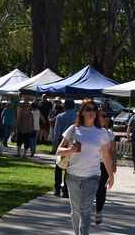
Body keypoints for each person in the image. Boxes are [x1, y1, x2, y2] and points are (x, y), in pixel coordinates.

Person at [56, 99, 114, 235]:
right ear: (81, 112)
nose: (92, 112)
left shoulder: (101, 133)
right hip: (73, 176)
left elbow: (106, 156)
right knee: (75, 210)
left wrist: (111, 176)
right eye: (88, 109)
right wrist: (70, 150)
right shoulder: (73, 129)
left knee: (85, 210)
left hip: (92, 176)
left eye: (94, 110)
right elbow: (59, 150)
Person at [95, 107, 117, 225]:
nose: (105, 118)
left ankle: (98, 211)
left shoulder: (109, 134)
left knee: (101, 189)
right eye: (102, 115)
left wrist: (114, 165)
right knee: (90, 188)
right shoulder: (90, 131)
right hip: (91, 164)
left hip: (104, 165)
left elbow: (113, 151)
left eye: (105, 116)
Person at [52, 99, 77, 198]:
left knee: (59, 166)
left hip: (61, 143)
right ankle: (66, 190)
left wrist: (55, 146)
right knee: (69, 168)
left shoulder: (60, 116)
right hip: (72, 144)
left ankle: (57, 189)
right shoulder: (77, 117)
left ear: (65, 107)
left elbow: (56, 132)